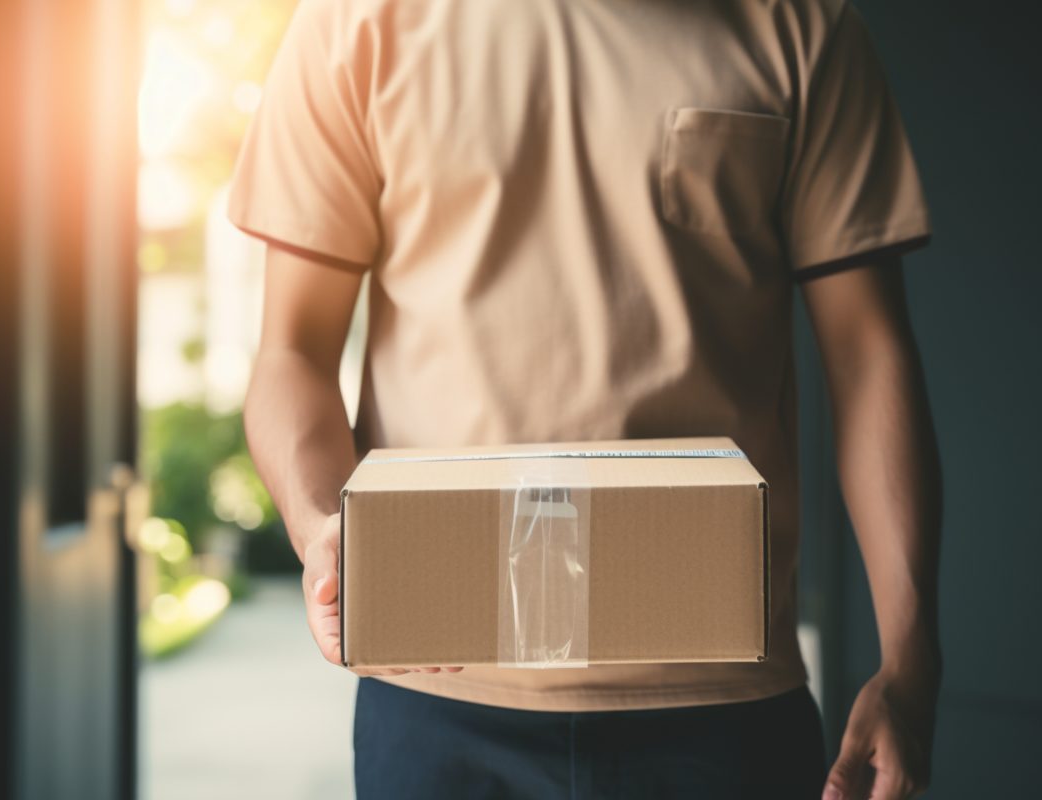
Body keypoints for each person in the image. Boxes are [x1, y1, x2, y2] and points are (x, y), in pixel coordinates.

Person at [226, 0, 943, 797]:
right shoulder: (356, 23)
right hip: (438, 696)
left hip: (722, 704)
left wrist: (910, 663)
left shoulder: (802, 28)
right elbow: (291, 352)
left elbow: (868, 354)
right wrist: (322, 521)